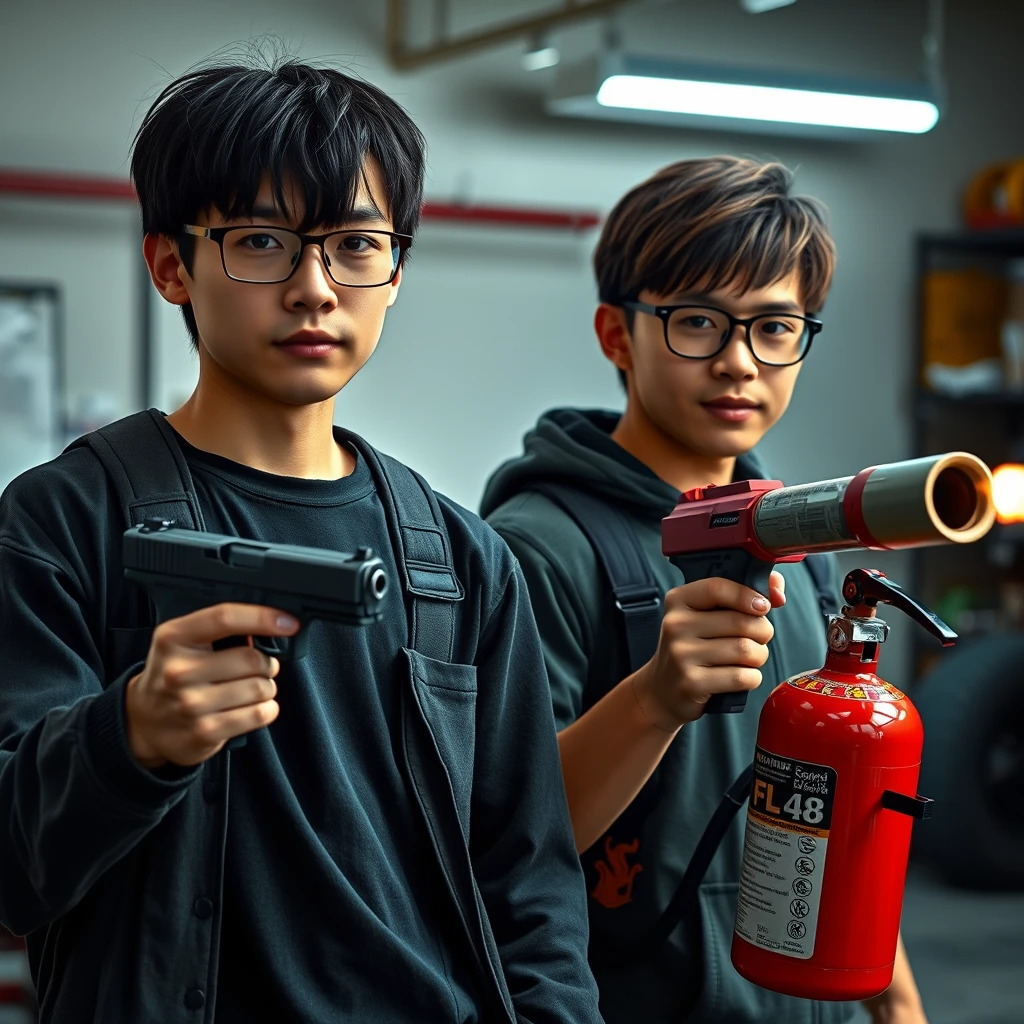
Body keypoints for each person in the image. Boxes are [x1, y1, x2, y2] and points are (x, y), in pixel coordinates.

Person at [0, 55, 601, 1024]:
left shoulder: (459, 561)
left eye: (356, 244)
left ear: (396, 271)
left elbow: (529, 882)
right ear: (169, 263)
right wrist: (132, 736)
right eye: (262, 241)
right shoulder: (64, 523)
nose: (315, 287)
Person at [481, 156, 928, 1024]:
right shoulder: (539, 549)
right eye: (698, 323)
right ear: (618, 334)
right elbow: (500, 834)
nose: (738, 363)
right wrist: (654, 697)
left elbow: (843, 829)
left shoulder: (803, 543)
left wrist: (897, 1004)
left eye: (774, 328)